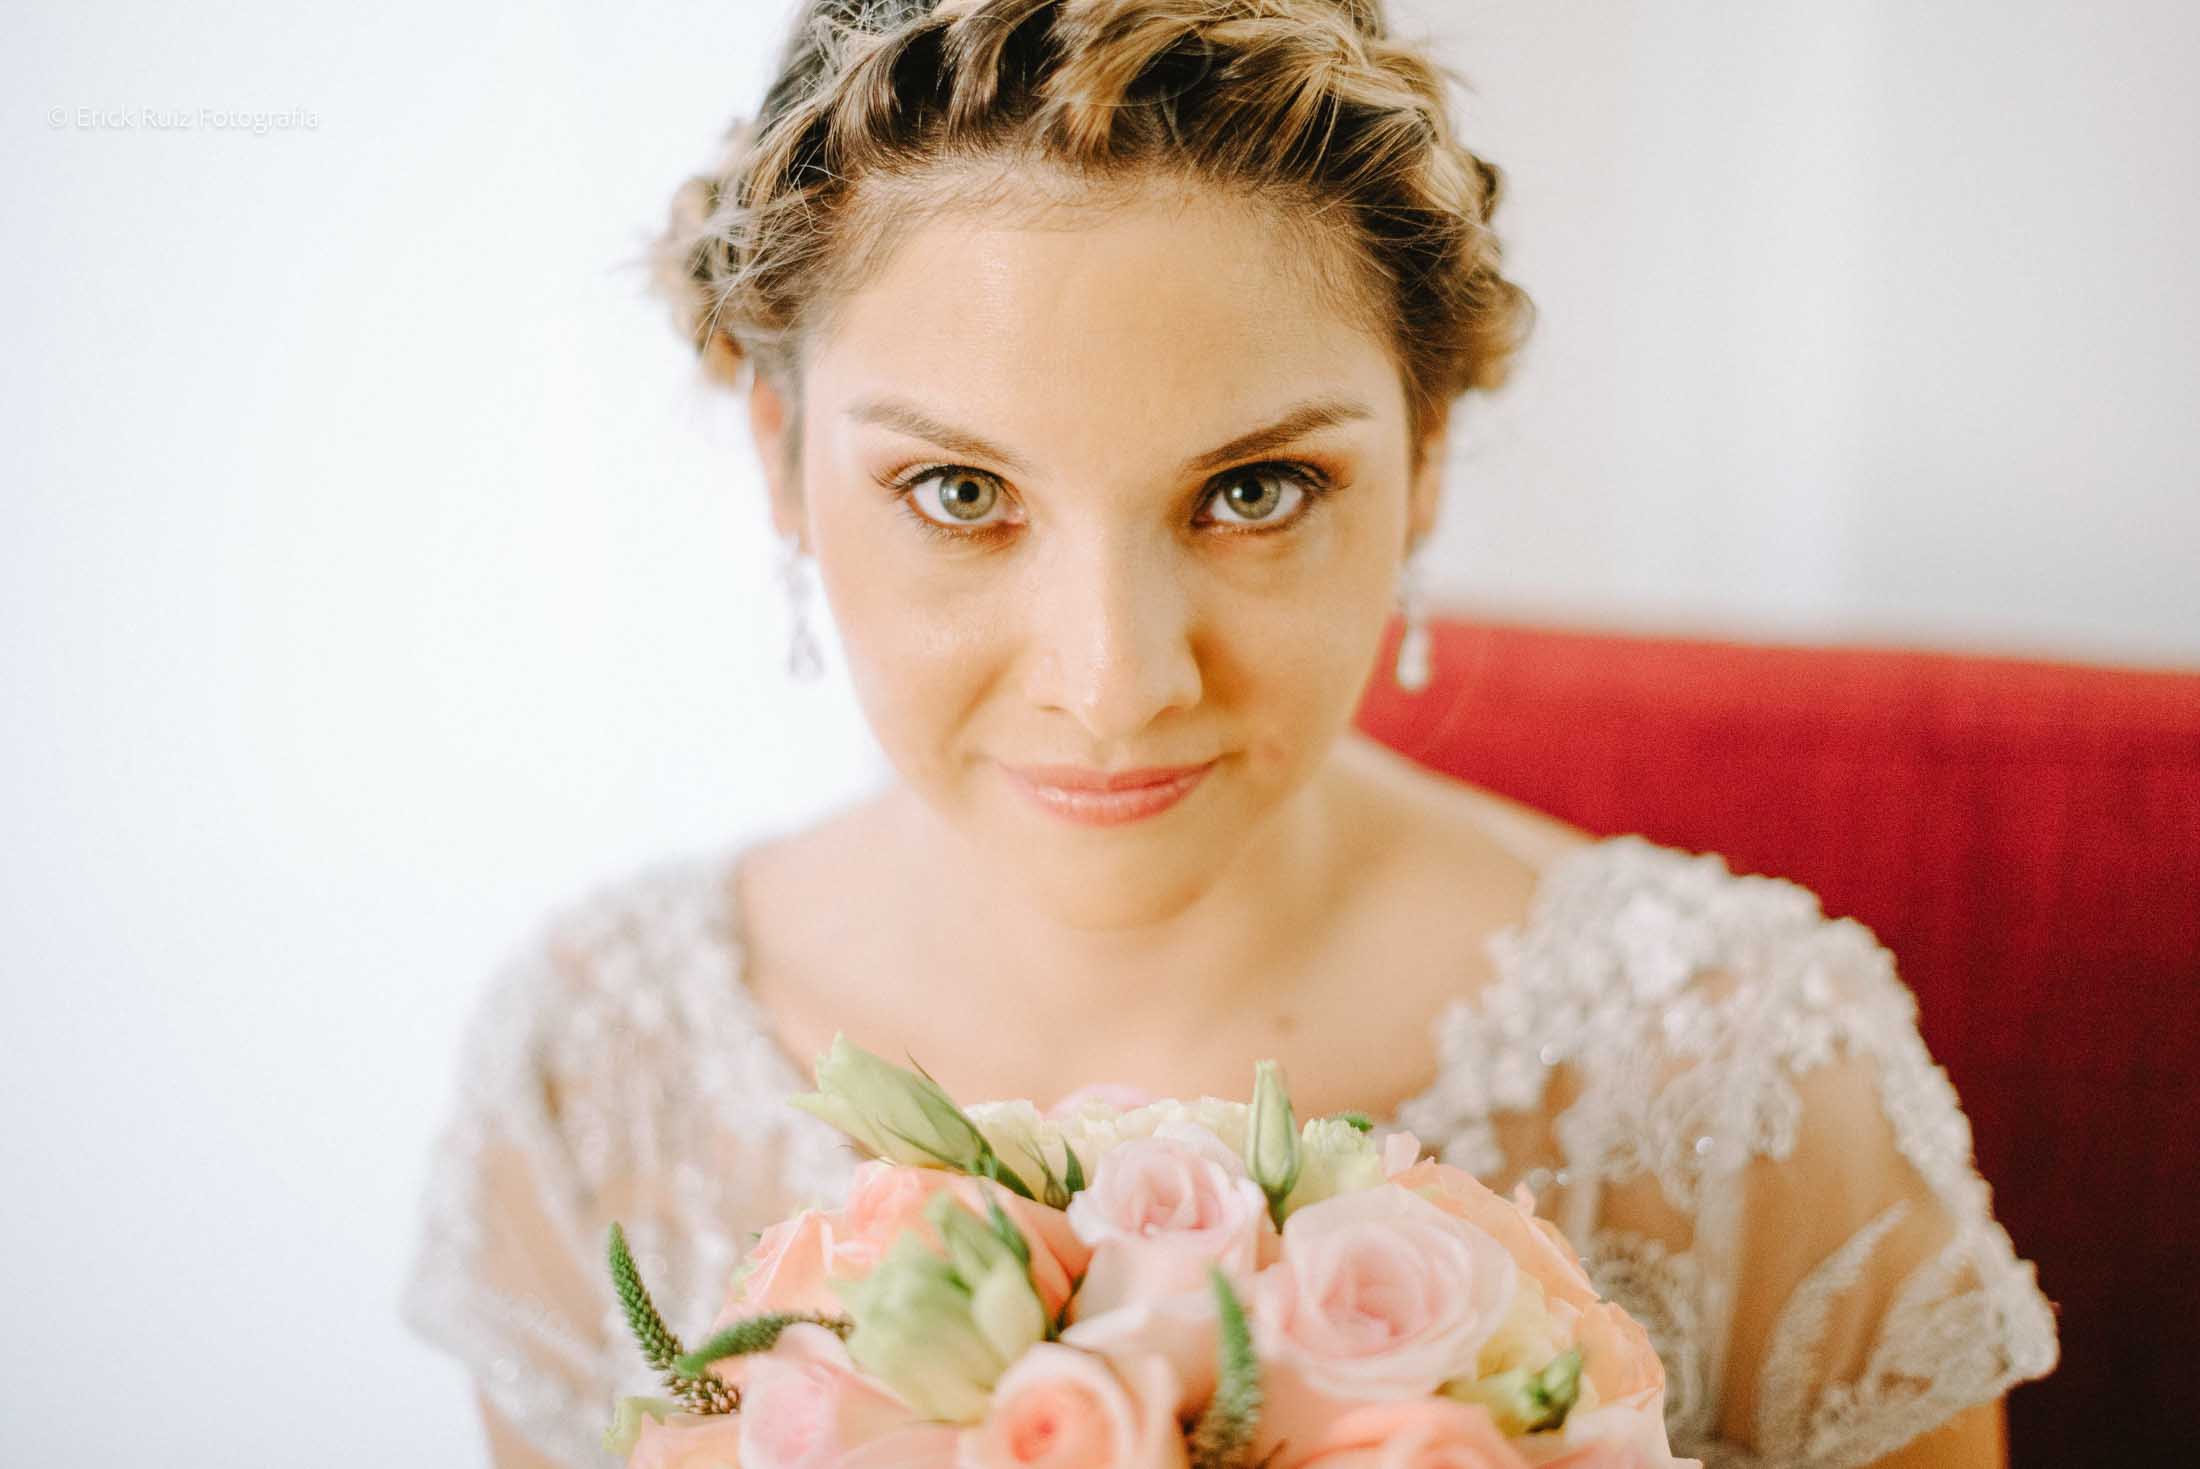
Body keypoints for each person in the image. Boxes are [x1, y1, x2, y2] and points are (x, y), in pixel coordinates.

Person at [398, 2, 2059, 1465]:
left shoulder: (1751, 1080)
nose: (1117, 682)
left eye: (1255, 490)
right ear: (779, 456)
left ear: (1427, 455)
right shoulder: (595, 1075)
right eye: (960, 491)